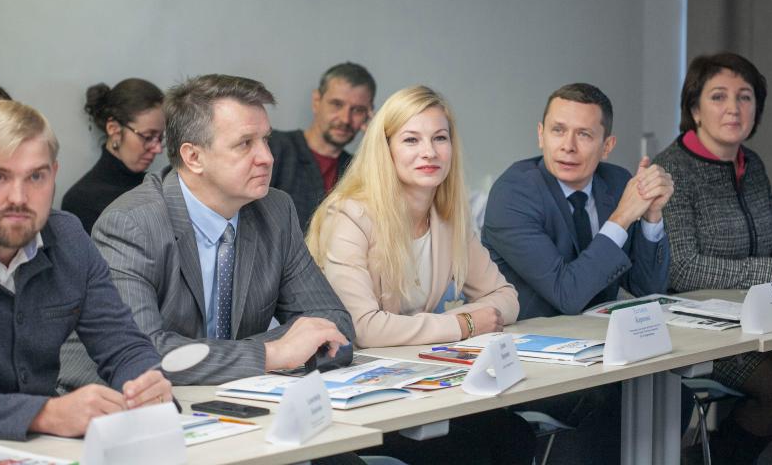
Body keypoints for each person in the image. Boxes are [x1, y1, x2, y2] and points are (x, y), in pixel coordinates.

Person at [59, 74, 354, 390]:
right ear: (193, 157)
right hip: (116, 403)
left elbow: (333, 321)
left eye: (265, 140)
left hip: (224, 397)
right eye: (245, 143)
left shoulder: (275, 210)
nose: (267, 158)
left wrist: (233, 357)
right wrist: (272, 353)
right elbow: (141, 354)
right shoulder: (132, 223)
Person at [307, 85, 535, 465]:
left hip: (419, 381)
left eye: (439, 138)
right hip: (360, 398)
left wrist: (456, 321)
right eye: (411, 139)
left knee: (511, 434)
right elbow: (364, 328)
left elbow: (506, 297)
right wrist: (463, 323)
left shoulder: (449, 219)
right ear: (386, 149)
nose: (429, 152)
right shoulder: (350, 216)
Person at [653, 52, 772, 463]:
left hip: (757, 319)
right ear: (695, 110)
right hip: (698, 328)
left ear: (757, 108)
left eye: (745, 97)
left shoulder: (751, 164)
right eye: (718, 96)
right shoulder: (671, 171)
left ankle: (715, 456)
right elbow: (683, 269)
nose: (734, 108)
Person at [481, 82, 673, 464]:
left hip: (603, 350)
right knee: (613, 400)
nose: (568, 146)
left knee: (668, 392)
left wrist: (652, 215)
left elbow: (649, 288)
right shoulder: (514, 193)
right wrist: (623, 216)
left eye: (584, 134)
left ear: (607, 145)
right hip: (532, 359)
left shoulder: (616, 183)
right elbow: (567, 294)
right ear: (540, 135)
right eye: (558, 130)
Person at [0, 100, 171, 441]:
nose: (18, 197)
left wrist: (146, 383)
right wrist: (43, 414)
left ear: (54, 173)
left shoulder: (67, 237)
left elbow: (123, 345)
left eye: (36, 176)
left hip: (43, 450)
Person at [269, 62, 375, 230]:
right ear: (316, 101)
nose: (345, 119)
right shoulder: (272, 147)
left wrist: (377, 138)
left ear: (368, 115)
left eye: (358, 110)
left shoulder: (360, 170)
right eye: (337, 104)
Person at [62, 79, 165, 233]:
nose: (158, 149)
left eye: (160, 138)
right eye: (148, 137)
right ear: (114, 129)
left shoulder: (160, 187)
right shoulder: (81, 201)